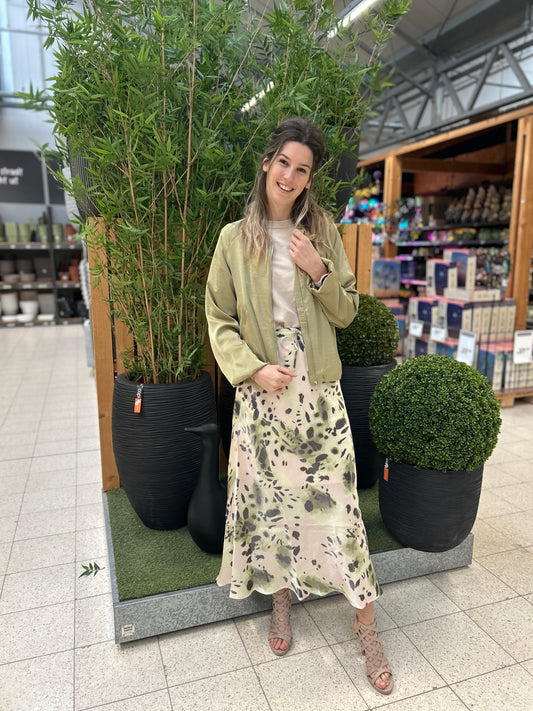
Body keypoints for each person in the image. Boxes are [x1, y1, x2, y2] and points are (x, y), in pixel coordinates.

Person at [205, 117, 393, 696]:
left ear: (310, 179)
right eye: (283, 162)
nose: (289, 176)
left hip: (318, 390)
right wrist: (251, 369)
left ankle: (366, 625)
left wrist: (318, 269)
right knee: (271, 504)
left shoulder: (323, 231)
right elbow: (219, 317)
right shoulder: (234, 239)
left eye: (302, 169)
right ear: (267, 163)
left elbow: (347, 312)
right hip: (263, 392)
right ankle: (279, 599)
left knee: (341, 506)